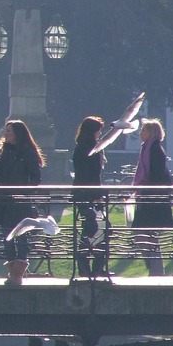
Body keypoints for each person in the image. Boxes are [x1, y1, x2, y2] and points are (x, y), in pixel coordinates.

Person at [0, 119, 45, 285]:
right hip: (4, 201)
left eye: (9, 131)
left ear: (17, 134)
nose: (5, 134)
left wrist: (24, 192)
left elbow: (35, 178)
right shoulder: (4, 152)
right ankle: (12, 271)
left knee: (22, 239)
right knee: (7, 238)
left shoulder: (28, 152)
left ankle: (18, 273)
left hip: (21, 203)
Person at [132, 119, 173, 277]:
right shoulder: (148, 148)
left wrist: (144, 188)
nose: (140, 133)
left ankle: (156, 272)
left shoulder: (154, 149)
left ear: (151, 132)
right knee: (146, 236)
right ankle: (156, 271)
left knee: (146, 235)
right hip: (148, 199)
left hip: (153, 200)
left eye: (143, 130)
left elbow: (158, 175)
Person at [72, 116, 109, 278]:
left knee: (93, 229)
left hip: (84, 194)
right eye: (98, 130)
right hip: (89, 195)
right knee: (98, 230)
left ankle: (88, 267)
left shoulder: (82, 147)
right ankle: (90, 267)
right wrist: (97, 196)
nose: (100, 133)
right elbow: (91, 176)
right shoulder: (89, 149)